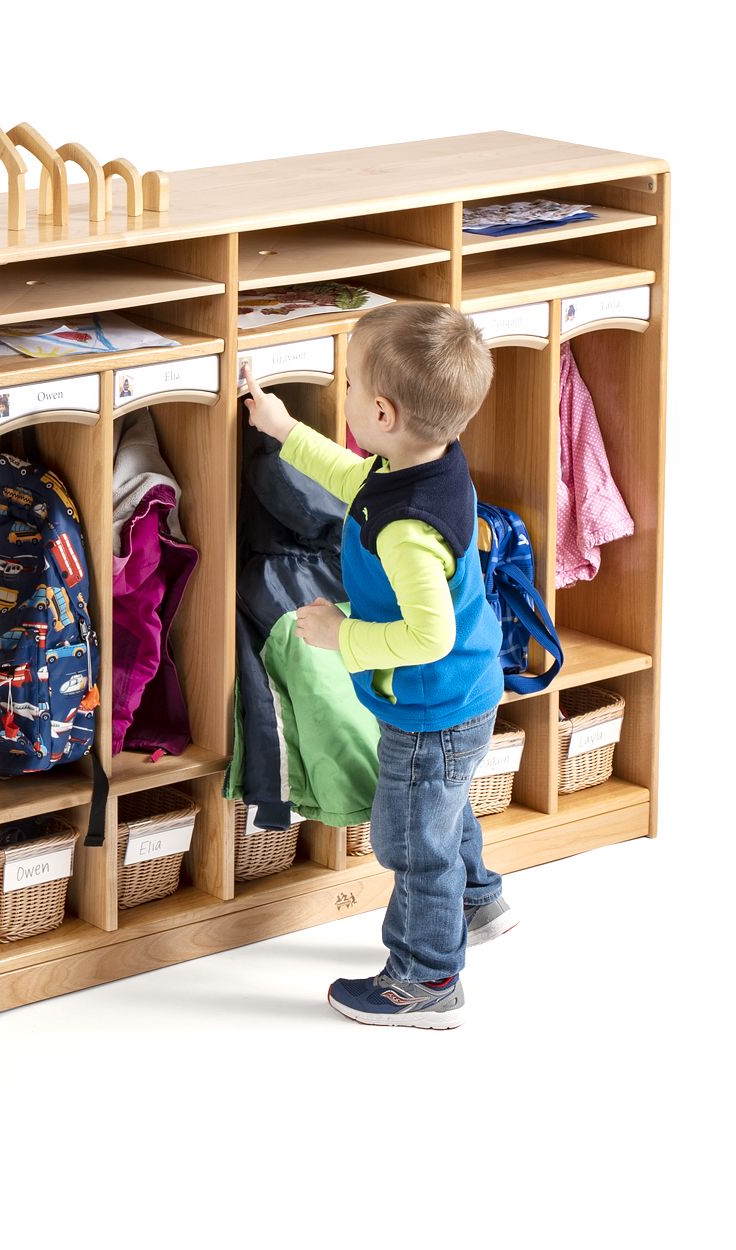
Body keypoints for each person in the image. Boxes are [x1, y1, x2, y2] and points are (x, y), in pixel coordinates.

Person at [243, 303, 519, 1029]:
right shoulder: (417, 465)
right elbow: (352, 477)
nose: (345, 395)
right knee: (444, 811)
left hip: (431, 706)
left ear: (384, 411)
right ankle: (477, 900)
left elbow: (427, 635)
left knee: (408, 841)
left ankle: (426, 981)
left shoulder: (408, 532)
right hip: (458, 694)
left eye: (351, 384)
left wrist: (345, 636)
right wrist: (286, 431)